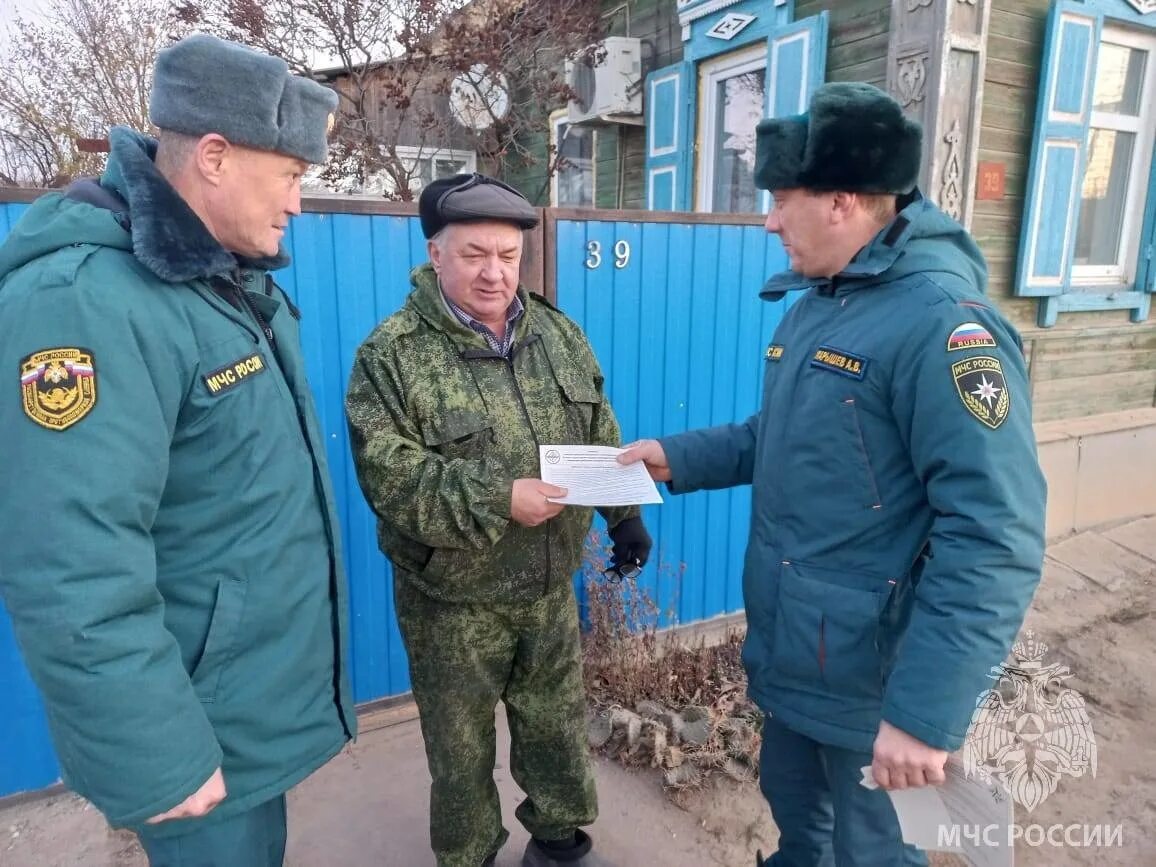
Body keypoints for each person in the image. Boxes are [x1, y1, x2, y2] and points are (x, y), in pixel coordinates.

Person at [620, 82, 1046, 866]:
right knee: (799, 835)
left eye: (784, 199)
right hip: (798, 660)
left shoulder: (943, 328)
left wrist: (925, 716)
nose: (770, 219)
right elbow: (780, 435)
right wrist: (674, 457)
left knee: (878, 854)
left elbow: (995, 535)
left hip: (877, 687)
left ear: (843, 201)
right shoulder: (820, 301)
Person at [0, 34, 356, 866]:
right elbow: (69, 561)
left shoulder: (217, 278)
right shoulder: (83, 301)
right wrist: (159, 754)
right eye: (292, 177)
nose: (299, 204)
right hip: (190, 734)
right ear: (217, 156)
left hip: (239, 711)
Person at [345, 173, 651, 867]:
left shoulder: (556, 332)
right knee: (460, 755)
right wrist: (496, 496)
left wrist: (623, 511)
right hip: (452, 603)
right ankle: (470, 856)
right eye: (475, 253)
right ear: (436, 253)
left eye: (507, 256)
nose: (494, 273)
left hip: (546, 591)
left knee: (555, 732)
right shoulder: (391, 357)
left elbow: (598, 425)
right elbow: (392, 479)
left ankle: (559, 843)